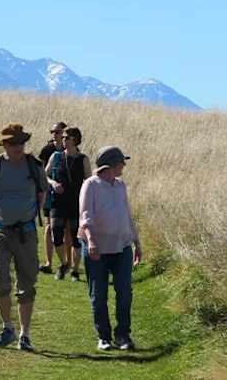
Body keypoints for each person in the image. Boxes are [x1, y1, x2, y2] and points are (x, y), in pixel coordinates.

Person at [0, 123, 49, 352]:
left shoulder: (34, 166)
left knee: (26, 284)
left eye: (21, 142)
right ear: (4, 145)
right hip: (0, 231)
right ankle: (7, 328)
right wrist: (0, 216)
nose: (18, 146)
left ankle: (24, 335)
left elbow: (42, 195)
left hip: (26, 232)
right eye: (13, 143)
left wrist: (27, 216)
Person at [78, 146, 142, 351]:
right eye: (122, 162)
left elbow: (127, 215)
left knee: (124, 291)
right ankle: (103, 336)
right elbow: (85, 216)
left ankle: (123, 335)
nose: (124, 166)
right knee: (99, 294)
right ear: (112, 165)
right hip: (96, 248)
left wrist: (137, 242)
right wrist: (90, 240)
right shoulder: (91, 185)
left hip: (122, 246)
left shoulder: (121, 185)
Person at [45, 126, 92, 281]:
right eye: (63, 137)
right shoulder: (56, 156)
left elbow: (89, 181)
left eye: (67, 137)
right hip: (58, 203)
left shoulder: (82, 159)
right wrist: (53, 184)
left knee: (76, 238)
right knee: (56, 236)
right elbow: (44, 176)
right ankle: (64, 263)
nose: (63, 139)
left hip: (76, 204)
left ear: (75, 140)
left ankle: (75, 270)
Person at [37, 122, 69, 275]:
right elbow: (40, 171)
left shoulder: (69, 149)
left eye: (57, 132)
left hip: (67, 195)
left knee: (67, 228)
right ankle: (49, 262)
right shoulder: (47, 149)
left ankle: (67, 262)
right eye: (53, 132)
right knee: (49, 225)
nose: (54, 135)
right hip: (49, 193)